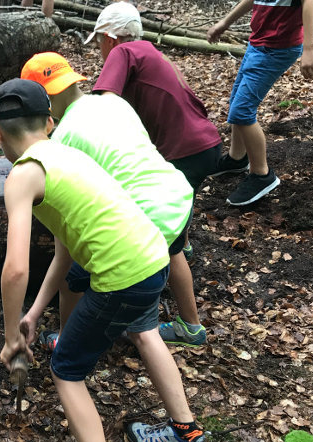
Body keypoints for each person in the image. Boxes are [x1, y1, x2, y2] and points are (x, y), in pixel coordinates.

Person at [0, 78, 205, 442]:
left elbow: (16, 268)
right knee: (142, 328)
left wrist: (10, 337)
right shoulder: (66, 155)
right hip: (153, 257)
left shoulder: (22, 175)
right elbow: (66, 252)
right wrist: (34, 314)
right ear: (49, 123)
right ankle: (186, 434)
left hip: (121, 276)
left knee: (66, 370)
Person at [20, 52, 206, 347]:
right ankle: (192, 327)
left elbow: (74, 201)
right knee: (172, 248)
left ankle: (68, 338)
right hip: (176, 194)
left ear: (44, 101)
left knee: (73, 276)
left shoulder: (63, 136)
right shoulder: (114, 101)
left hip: (144, 216)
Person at [87, 1, 224, 344]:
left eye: (99, 43)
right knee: (176, 209)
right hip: (206, 143)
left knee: (168, 246)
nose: (101, 52)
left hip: (185, 151)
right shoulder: (150, 52)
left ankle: (190, 326)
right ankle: (184, 244)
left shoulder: (124, 53)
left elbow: (102, 102)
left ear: (110, 38)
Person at [207, 0, 313, 206]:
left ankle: (262, 175)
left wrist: (311, 48)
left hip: (277, 48)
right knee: (237, 104)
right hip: (257, 44)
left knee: (242, 111)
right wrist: (224, 23)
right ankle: (236, 158)